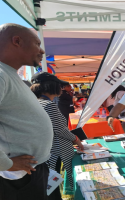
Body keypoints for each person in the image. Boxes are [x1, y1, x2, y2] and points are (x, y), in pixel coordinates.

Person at [0, 23, 53, 200]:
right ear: (17, 41)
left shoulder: (7, 75)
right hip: (16, 176)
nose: (41, 51)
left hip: (28, 170)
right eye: (37, 44)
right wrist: (5, 163)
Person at [30, 72, 84, 200]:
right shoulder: (49, 105)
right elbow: (60, 130)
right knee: (52, 183)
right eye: (59, 85)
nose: (61, 88)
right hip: (55, 149)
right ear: (51, 86)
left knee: (49, 181)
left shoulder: (36, 102)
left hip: (45, 148)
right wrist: (76, 139)